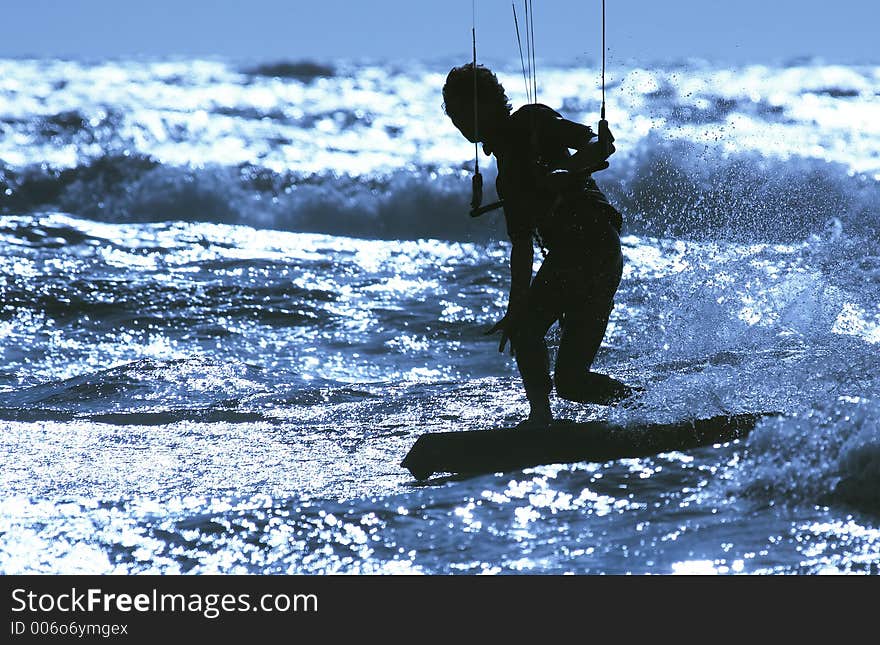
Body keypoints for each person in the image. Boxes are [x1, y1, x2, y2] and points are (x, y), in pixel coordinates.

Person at [442, 63, 634, 427]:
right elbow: (522, 249)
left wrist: (571, 169)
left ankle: (540, 420)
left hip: (592, 244)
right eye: (454, 115)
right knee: (572, 383)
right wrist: (514, 310)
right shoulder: (505, 181)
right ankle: (648, 410)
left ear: (485, 104)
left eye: (464, 111)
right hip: (580, 257)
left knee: (529, 332)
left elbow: (598, 144)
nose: (460, 122)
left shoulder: (532, 121)